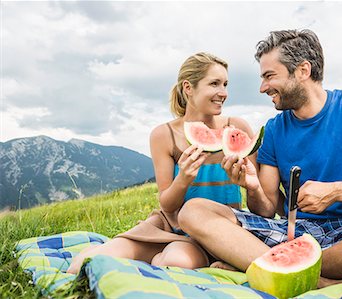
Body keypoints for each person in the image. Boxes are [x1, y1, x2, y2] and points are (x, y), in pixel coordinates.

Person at [178, 29, 342, 285]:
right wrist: (253, 187)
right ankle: (321, 280)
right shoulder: (274, 129)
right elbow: (266, 209)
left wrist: (338, 191)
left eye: (270, 76)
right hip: (294, 232)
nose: (262, 87)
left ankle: (276, 266)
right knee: (194, 210)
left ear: (303, 70)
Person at [67, 52, 255, 274]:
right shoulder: (164, 134)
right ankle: (152, 251)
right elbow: (167, 203)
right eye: (214, 83)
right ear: (188, 87)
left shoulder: (237, 128)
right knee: (81, 265)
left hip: (217, 231)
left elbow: (258, 200)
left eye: (225, 84)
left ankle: (160, 257)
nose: (223, 93)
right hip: (169, 225)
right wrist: (184, 178)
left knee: (175, 262)